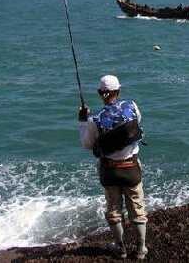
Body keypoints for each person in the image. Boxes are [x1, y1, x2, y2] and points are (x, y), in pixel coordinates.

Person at [78, 75, 148, 260]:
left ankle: (121, 248)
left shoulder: (95, 120)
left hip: (110, 171)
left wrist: (82, 121)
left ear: (100, 93)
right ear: (119, 91)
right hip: (131, 167)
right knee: (137, 208)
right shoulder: (132, 106)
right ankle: (141, 249)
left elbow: (87, 144)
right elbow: (137, 123)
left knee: (114, 210)